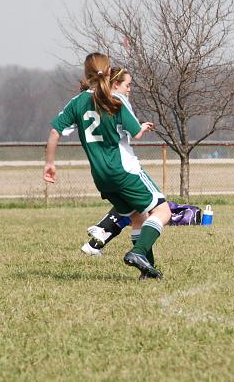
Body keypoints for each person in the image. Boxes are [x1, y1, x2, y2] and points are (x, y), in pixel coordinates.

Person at [44, 53, 170, 279]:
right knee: (163, 210)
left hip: (101, 177)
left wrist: (50, 164)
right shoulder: (115, 100)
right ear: (109, 72)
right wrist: (142, 127)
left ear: (86, 73)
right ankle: (139, 252)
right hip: (123, 169)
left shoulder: (77, 101)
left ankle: (146, 271)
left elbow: (55, 131)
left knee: (137, 218)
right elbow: (136, 133)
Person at [79, 67, 151, 258]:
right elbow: (132, 133)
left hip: (101, 169)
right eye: (127, 85)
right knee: (153, 209)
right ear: (115, 84)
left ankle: (96, 243)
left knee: (134, 212)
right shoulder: (116, 102)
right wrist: (140, 128)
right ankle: (102, 231)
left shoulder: (94, 101)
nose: (130, 90)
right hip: (119, 166)